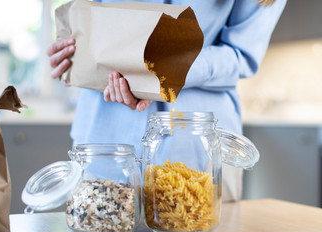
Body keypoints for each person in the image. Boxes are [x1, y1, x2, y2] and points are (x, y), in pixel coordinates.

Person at [47, 0, 286, 202]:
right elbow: (90, 22)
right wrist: (73, 56)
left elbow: (241, 53)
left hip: (201, 147)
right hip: (104, 142)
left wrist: (164, 72)